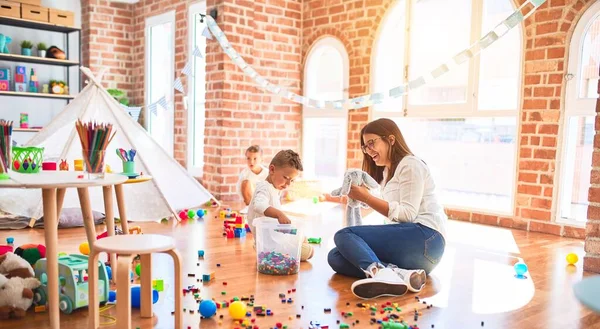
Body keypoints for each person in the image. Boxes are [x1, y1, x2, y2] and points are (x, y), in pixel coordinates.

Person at [327, 118, 447, 299]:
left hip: (427, 239)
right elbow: (393, 213)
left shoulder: (411, 164)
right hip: (415, 253)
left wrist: (366, 197)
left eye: (372, 143)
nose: (369, 151)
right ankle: (402, 275)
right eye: (365, 147)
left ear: (391, 139)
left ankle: (381, 273)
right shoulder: (386, 174)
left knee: (344, 235)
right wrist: (363, 198)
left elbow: (407, 214)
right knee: (336, 256)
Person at [247, 149, 314, 261]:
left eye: (291, 180)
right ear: (272, 169)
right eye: (286, 178)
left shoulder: (273, 188)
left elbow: (274, 223)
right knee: (309, 251)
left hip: (274, 236)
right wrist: (279, 214)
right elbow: (258, 206)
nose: (288, 184)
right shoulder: (263, 188)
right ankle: (264, 249)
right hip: (271, 244)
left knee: (302, 237)